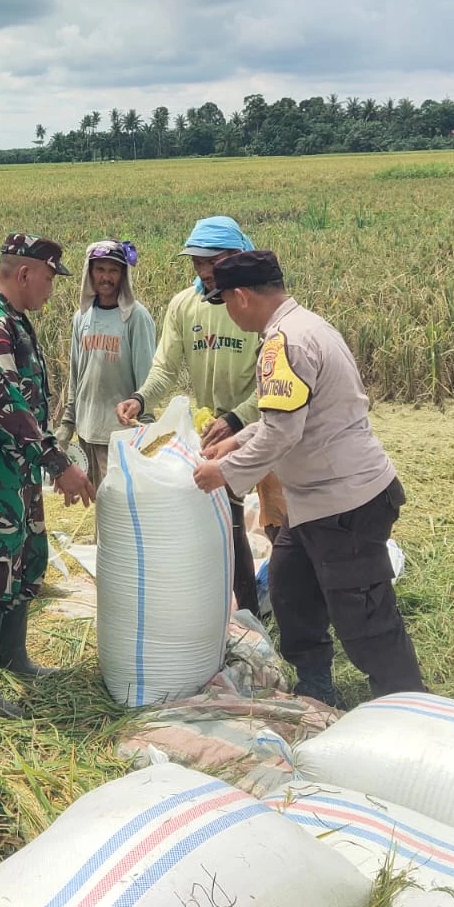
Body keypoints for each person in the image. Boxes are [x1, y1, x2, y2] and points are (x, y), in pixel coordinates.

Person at [191, 250, 424, 707]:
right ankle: (315, 681)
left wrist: (224, 472)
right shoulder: (305, 327)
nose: (228, 314)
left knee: (364, 615)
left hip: (345, 504)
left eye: (225, 303)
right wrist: (236, 443)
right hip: (315, 501)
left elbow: (283, 431)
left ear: (240, 297)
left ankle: (409, 705)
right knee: (290, 585)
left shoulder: (284, 344)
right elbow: (294, 416)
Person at [0, 233, 97, 718]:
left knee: (24, 556)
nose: (52, 289)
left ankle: (14, 657)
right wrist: (59, 463)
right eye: (51, 278)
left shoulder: (14, 322)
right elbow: (9, 407)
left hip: (13, 468)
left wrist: (41, 462)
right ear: (25, 273)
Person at [115, 216, 266, 614]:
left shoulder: (256, 305)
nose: (203, 271)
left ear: (238, 256)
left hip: (265, 426)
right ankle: (237, 611)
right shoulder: (185, 305)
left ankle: (275, 612)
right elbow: (165, 367)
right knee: (228, 524)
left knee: (282, 525)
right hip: (214, 431)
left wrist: (238, 417)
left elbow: (272, 383)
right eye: (197, 263)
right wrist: (141, 399)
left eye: (211, 262)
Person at [57, 239, 157, 490]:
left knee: (119, 502)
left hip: (120, 432)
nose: (106, 277)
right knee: (98, 501)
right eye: (100, 269)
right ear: (90, 273)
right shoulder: (82, 317)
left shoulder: (136, 317)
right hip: (87, 429)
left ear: (123, 275)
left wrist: (147, 431)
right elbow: (76, 375)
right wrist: (68, 423)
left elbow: (147, 378)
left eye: (113, 270)